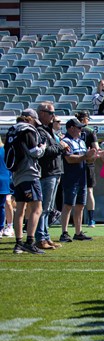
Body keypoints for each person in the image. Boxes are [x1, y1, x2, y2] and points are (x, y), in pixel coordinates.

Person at [8, 109, 46, 254]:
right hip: (29, 173)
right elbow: (34, 152)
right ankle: (30, 241)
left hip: (17, 175)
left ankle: (18, 243)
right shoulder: (27, 130)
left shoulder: (12, 130)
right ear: (30, 119)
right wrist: (43, 147)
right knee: (37, 208)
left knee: (20, 209)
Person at [34, 101, 66, 251]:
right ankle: (40, 237)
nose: (53, 116)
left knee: (48, 208)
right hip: (47, 173)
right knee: (44, 208)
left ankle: (45, 236)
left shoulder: (48, 130)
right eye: (51, 113)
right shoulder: (40, 131)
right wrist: (60, 147)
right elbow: (45, 152)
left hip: (54, 172)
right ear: (41, 113)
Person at [58, 118, 93, 242]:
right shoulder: (65, 141)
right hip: (70, 177)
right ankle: (64, 232)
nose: (81, 130)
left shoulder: (81, 141)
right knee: (68, 205)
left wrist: (93, 156)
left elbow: (86, 159)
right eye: (78, 127)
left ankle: (78, 232)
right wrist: (85, 156)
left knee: (80, 205)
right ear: (71, 128)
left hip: (81, 176)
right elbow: (69, 159)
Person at [75, 111, 98, 226]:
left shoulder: (72, 129)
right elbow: (96, 149)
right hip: (88, 163)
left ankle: (76, 220)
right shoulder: (90, 131)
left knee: (75, 191)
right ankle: (90, 219)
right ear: (84, 119)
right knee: (89, 191)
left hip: (76, 162)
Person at [0, 136, 12, 238]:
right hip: (4, 180)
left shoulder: (4, 150)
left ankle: (8, 226)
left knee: (5, 203)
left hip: (5, 180)